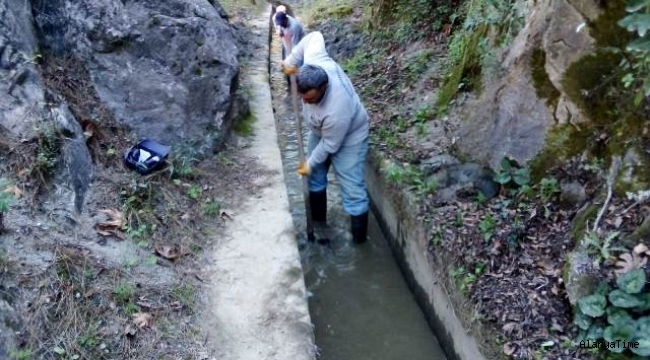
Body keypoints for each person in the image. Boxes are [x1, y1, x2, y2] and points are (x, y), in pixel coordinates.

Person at [280, 31, 370, 244]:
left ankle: (359, 244)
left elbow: (330, 144)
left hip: (349, 137)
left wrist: (308, 163)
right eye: (302, 98)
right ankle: (319, 225)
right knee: (315, 177)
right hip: (320, 131)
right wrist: (291, 61)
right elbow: (315, 36)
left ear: (323, 88)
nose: (306, 102)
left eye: (310, 99)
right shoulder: (315, 62)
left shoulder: (336, 109)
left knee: (352, 188)